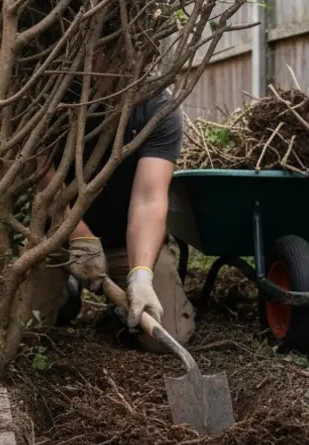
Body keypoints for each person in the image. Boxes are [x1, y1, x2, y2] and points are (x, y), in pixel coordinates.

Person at [32, 88, 195, 352]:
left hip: (126, 244)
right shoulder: (53, 93)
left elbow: (149, 199)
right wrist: (80, 239)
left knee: (165, 336)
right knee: (27, 328)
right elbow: (46, 186)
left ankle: (118, 309)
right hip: (58, 240)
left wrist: (141, 275)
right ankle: (67, 294)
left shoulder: (157, 106)